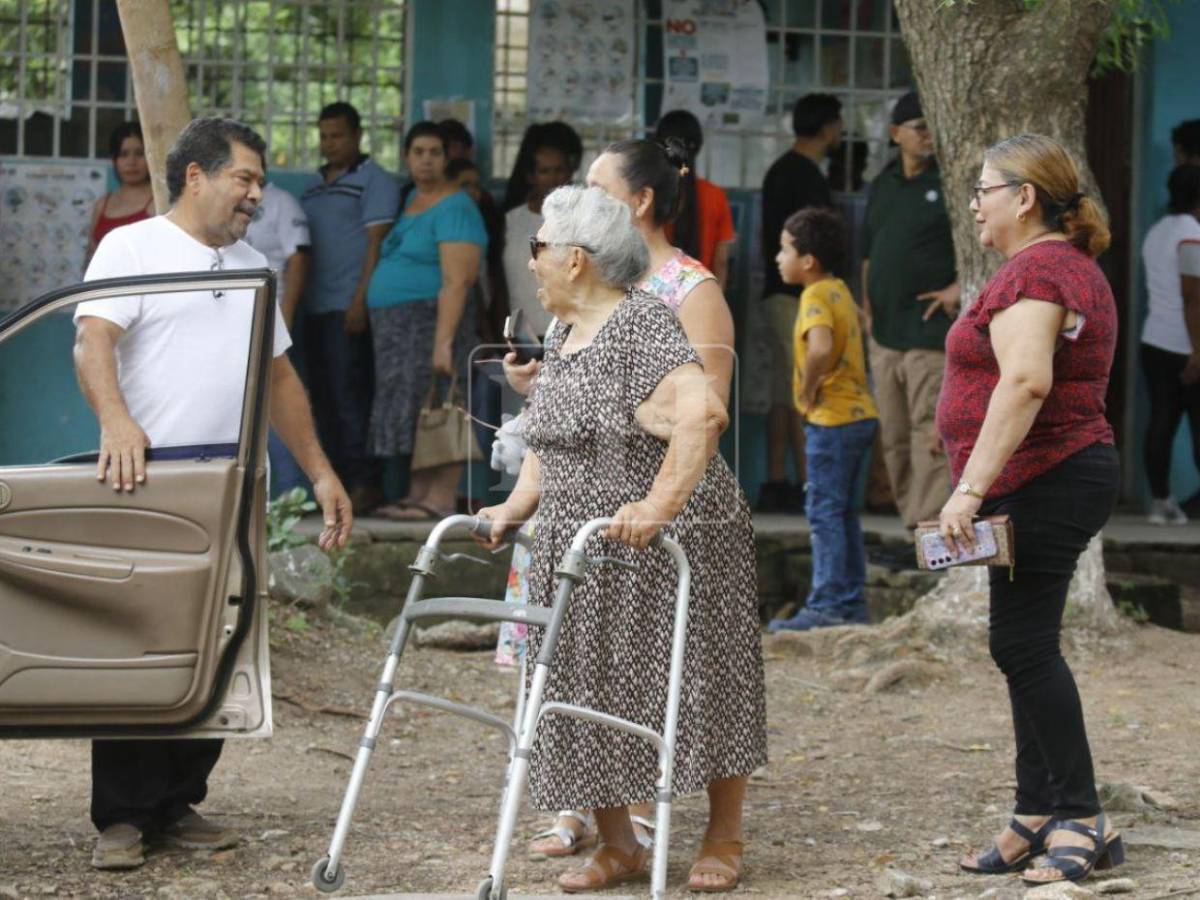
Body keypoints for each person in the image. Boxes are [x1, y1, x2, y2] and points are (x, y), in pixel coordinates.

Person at [73, 116, 353, 871]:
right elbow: (91, 340)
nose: (257, 195)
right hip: (147, 476)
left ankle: (178, 801)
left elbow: (283, 379)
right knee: (141, 645)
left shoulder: (254, 264)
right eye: (246, 178)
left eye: (259, 182)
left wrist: (321, 471)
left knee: (220, 646)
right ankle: (123, 818)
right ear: (195, 176)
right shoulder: (130, 246)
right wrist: (116, 421)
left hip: (232, 479)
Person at [476, 185, 766, 893]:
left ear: (576, 260)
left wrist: (658, 505)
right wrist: (516, 505)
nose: (531, 257)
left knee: (706, 680)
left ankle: (723, 835)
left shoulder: (641, 326)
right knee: (579, 679)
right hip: (582, 550)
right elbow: (551, 435)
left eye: (539, 245)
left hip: (678, 543)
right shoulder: (563, 334)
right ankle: (618, 843)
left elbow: (702, 415)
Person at [939, 134, 1123, 885]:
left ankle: (1082, 814)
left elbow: (1024, 383)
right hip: (1044, 477)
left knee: (1024, 645)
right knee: (1020, 642)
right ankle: (1037, 810)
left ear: (1024, 197)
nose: (974, 202)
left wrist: (969, 489)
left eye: (984, 188)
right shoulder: (1044, 268)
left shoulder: (1041, 269)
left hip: (1049, 475)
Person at [367, 121, 488, 521]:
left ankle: (439, 497)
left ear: (446, 157)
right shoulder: (412, 201)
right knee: (418, 408)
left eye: (434, 152)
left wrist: (444, 341)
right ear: (407, 157)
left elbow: (458, 280)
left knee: (444, 402)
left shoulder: (456, 206)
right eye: (418, 152)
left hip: (432, 323)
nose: (426, 159)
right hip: (399, 328)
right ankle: (417, 494)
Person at [768, 208, 878, 631]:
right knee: (843, 511)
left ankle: (828, 604)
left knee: (824, 512)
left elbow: (819, 347)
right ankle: (850, 601)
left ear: (807, 261)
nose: (778, 258)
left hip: (831, 419)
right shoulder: (840, 291)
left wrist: (808, 388)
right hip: (859, 416)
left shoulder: (814, 296)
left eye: (784, 250)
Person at [862, 91, 958, 529]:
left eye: (933, 126)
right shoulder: (883, 185)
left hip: (929, 332)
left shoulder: (950, 183)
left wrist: (959, 288)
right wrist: (867, 312)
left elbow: (981, 248)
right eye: (919, 127)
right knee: (895, 437)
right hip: (884, 335)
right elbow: (868, 255)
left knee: (930, 434)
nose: (929, 136)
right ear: (896, 134)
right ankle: (912, 525)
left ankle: (932, 526)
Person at [300, 101, 401, 513]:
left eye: (337, 135)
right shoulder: (314, 186)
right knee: (321, 398)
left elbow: (376, 245)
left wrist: (359, 300)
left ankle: (365, 483)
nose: (329, 143)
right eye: (324, 136)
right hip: (314, 308)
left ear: (357, 135)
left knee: (351, 396)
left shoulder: (375, 180)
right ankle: (335, 482)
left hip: (350, 306)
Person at [759, 93, 843, 513]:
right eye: (838, 125)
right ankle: (810, 484)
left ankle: (777, 479)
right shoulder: (807, 176)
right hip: (798, 298)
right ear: (827, 127)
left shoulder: (779, 170)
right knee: (801, 391)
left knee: (781, 392)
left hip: (775, 296)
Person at [1139, 165, 1200, 524]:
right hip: (1185, 343)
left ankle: (1161, 500)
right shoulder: (1191, 234)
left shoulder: (1158, 231)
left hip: (1155, 339)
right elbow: (1193, 298)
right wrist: (1197, 350)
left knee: (1161, 418)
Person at [244, 179, 312, 496]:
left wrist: (284, 315)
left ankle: (289, 496)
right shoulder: (222, 203)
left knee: (276, 405)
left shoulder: (281, 201)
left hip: (273, 319)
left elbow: (297, 258)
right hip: (237, 323)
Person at [501, 129, 574, 342]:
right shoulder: (511, 221)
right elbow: (499, 283)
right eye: (545, 171)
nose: (554, 177)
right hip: (523, 333)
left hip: (569, 331)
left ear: (570, 172)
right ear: (530, 177)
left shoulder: (580, 220)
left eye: (560, 169)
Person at [652, 110, 736, 288]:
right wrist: (716, 298)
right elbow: (721, 261)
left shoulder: (649, 195)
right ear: (697, 147)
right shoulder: (716, 196)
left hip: (655, 296)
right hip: (701, 296)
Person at [87, 122, 153, 263]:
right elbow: (91, 258)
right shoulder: (102, 204)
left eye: (139, 154)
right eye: (123, 154)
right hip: (104, 284)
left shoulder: (159, 202)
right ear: (114, 160)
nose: (131, 162)